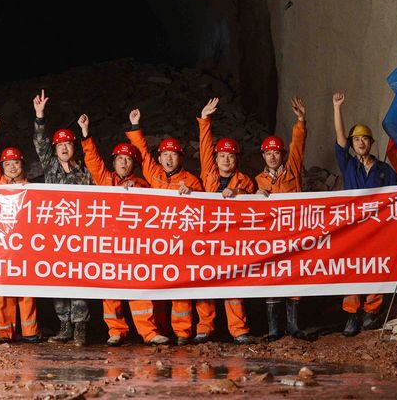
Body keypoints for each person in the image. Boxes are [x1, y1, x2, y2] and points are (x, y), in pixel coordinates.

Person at [78, 113, 169, 346]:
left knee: (139, 288)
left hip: (135, 246)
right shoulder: (106, 180)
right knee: (111, 289)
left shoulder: (143, 185)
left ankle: (149, 332)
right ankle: (116, 331)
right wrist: (86, 134)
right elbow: (93, 161)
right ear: (114, 161)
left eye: (128, 160)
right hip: (111, 244)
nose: (124, 163)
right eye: (120, 159)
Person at [125, 107, 202, 345]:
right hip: (154, 244)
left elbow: (204, 209)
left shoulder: (191, 180)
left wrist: (193, 194)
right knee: (147, 285)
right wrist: (136, 127)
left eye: (173, 154)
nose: (168, 158)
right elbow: (142, 153)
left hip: (180, 244)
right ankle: (150, 333)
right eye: (164, 155)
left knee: (180, 286)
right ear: (159, 158)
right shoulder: (154, 174)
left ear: (181, 158)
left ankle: (182, 332)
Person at [332, 91, 397, 336]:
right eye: (356, 140)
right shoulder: (349, 164)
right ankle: (352, 314)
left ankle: (372, 311)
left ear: (371, 143)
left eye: (365, 139)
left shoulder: (384, 170)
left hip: (377, 227)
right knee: (353, 267)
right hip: (353, 226)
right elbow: (340, 139)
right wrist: (337, 108)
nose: (360, 143)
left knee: (376, 266)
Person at [32, 90, 93, 346]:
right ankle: (64, 325)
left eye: (68, 144)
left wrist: (86, 132)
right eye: (60, 145)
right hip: (55, 234)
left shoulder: (85, 171)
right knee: (58, 278)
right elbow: (40, 143)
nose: (64, 148)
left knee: (77, 279)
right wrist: (39, 116)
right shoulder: (50, 167)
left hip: (78, 235)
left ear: (74, 147)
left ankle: (80, 327)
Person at [197, 98, 255, 344]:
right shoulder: (208, 173)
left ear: (236, 159)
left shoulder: (246, 182)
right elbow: (204, 146)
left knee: (234, 285)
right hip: (209, 239)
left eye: (231, 157)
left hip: (233, 242)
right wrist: (205, 120)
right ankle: (205, 328)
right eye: (222, 156)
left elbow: (255, 207)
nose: (226, 160)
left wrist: (239, 195)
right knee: (205, 281)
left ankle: (238, 329)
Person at [0, 110, 39, 343]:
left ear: (22, 165)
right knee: (3, 290)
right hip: (3, 245)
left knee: (26, 290)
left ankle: (30, 332)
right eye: (7, 163)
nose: (12, 167)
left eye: (15, 163)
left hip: (25, 245)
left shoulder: (33, 189)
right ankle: (5, 332)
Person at [255, 96, 308, 341]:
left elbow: (298, 145)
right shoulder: (258, 181)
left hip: (293, 232)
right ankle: (274, 328)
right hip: (270, 238)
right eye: (269, 153)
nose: (273, 157)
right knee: (271, 279)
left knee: (294, 276)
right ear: (263, 156)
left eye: (277, 153)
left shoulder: (292, 170)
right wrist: (255, 196)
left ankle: (293, 326)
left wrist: (300, 121)